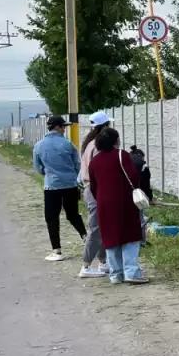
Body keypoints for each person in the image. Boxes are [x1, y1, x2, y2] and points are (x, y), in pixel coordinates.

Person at [88, 127, 149, 284]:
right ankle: (131, 272)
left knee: (110, 237)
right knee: (130, 236)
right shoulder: (121, 155)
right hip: (124, 202)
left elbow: (93, 186)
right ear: (116, 140)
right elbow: (134, 177)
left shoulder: (94, 161)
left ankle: (115, 274)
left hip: (103, 204)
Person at [32, 115, 86, 262]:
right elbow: (77, 164)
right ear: (57, 127)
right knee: (73, 214)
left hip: (51, 186)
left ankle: (57, 250)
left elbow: (38, 167)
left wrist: (48, 173)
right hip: (70, 184)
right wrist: (72, 175)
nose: (64, 129)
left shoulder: (39, 145)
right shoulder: (68, 144)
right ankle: (86, 238)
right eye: (63, 127)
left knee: (51, 217)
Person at [77, 111, 112, 279]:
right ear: (105, 126)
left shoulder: (89, 143)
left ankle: (103, 262)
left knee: (101, 227)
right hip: (95, 189)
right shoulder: (98, 146)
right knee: (96, 228)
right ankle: (86, 265)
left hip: (89, 187)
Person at [129, 145, 154, 243]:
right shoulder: (143, 167)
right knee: (140, 219)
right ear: (141, 157)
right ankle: (141, 241)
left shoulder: (124, 163)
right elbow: (145, 184)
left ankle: (131, 240)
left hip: (124, 195)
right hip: (138, 196)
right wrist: (149, 197)